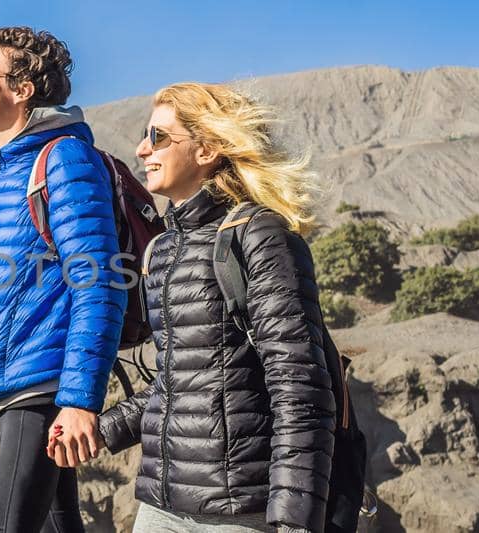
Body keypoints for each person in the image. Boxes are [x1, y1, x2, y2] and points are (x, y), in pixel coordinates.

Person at [95, 82, 336, 533]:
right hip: (160, 506)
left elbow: (298, 386)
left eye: (159, 136)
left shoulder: (260, 236)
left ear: (206, 150)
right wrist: (104, 428)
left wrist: (294, 520)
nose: (142, 148)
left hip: (239, 513)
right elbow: (181, 381)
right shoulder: (164, 249)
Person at [0, 26, 127, 533]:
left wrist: (78, 400)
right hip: (14, 390)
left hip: (41, 392)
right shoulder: (10, 173)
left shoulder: (63, 160)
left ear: (22, 89)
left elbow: (100, 284)